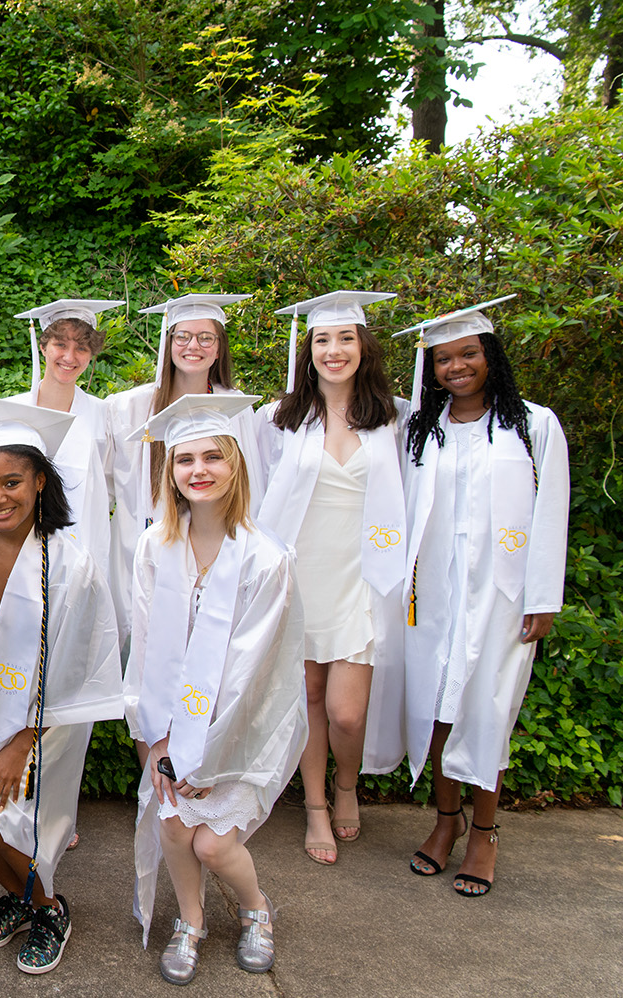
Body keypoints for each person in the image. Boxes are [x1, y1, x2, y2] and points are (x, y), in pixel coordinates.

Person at [0, 397, 124, 976]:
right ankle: (22, 901)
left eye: (11, 482)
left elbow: (76, 665)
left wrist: (21, 741)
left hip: (48, 719)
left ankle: (49, 909)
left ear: (40, 481)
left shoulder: (69, 563)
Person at [122, 394, 308, 985]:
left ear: (235, 465)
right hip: (172, 731)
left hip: (244, 732)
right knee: (174, 827)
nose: (197, 471)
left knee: (212, 846)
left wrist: (202, 752)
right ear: (169, 472)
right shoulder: (155, 546)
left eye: (212, 457)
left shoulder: (266, 558)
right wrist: (156, 740)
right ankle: (192, 922)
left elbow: (253, 674)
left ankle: (256, 911)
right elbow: (146, 650)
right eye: (184, 460)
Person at [394, 297, 569, 898]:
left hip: (502, 593)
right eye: (443, 359)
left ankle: (485, 833)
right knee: (436, 710)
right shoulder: (421, 431)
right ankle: (445, 824)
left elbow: (552, 516)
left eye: (467, 353)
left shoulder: (534, 425)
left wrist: (542, 596)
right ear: (432, 369)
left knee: (488, 710)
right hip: (433, 593)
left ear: (489, 356)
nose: (456, 366)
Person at [257, 291, 409, 865]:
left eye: (345, 338)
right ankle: (317, 804)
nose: (333, 350)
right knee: (308, 696)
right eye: (322, 339)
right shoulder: (281, 418)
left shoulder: (394, 415)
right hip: (301, 572)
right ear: (308, 350)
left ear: (363, 347)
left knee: (347, 710)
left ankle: (348, 784)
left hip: (363, 574)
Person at [107, 294, 262, 658]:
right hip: (140, 544)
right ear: (168, 343)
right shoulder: (128, 407)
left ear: (220, 347)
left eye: (206, 337)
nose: (194, 346)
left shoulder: (235, 407)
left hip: (213, 547)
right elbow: (105, 484)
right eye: (182, 336)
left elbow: (251, 480)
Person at [8, 298, 123, 553]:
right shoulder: (11, 412)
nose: (70, 357)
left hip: (85, 545)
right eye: (60, 344)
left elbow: (111, 485)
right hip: (20, 544)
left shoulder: (102, 414)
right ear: (43, 347)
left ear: (91, 354)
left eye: (81, 348)